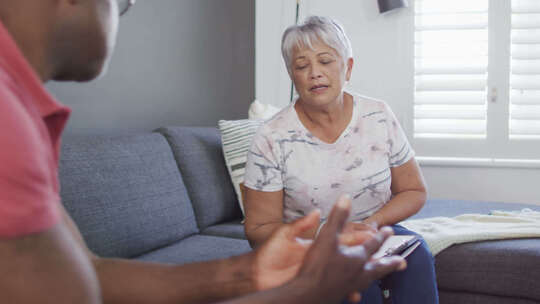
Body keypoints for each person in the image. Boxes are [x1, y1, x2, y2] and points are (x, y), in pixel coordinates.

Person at [0, 1, 406, 303]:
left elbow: (87, 273)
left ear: (346, 66)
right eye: (124, 1)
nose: (122, 11)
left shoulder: (19, 111)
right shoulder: (7, 122)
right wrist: (304, 291)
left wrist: (247, 272)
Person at [243, 16, 439, 303]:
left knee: (417, 256)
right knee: (358, 286)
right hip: (308, 246)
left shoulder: (378, 115)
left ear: (347, 67)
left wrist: (371, 224)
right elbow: (257, 230)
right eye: (302, 65)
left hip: (373, 231)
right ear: (292, 74)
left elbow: (414, 191)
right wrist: (327, 234)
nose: (315, 73)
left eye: (325, 61)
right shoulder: (271, 137)